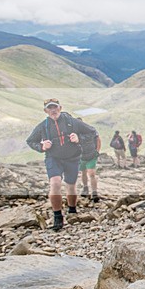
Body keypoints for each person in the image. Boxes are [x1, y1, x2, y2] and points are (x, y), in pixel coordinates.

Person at [25, 98, 98, 230]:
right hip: (53, 158)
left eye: (55, 107)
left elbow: (92, 132)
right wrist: (41, 146)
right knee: (55, 183)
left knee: (71, 186)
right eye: (49, 108)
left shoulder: (72, 122)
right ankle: (58, 217)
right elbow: (30, 141)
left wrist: (79, 139)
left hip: (72, 158)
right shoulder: (43, 126)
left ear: (60, 108)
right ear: (45, 111)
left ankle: (72, 210)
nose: (53, 110)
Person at [76, 117, 101, 202]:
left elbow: (98, 139)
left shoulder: (90, 130)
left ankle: (94, 192)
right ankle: (85, 188)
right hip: (81, 156)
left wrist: (97, 151)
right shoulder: (74, 133)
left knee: (91, 173)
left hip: (91, 155)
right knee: (83, 173)